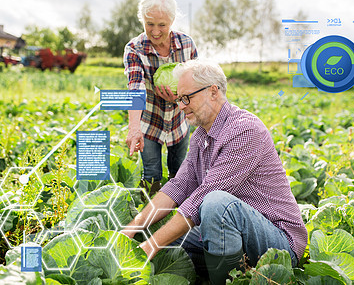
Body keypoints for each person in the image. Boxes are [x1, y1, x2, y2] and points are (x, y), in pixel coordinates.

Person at [121, 60, 308, 284]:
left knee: (215, 202)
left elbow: (203, 198)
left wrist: (150, 247)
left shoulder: (244, 130)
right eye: (179, 99)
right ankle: (229, 270)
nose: (181, 106)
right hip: (230, 231)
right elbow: (178, 186)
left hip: (278, 241)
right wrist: (134, 227)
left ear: (213, 92)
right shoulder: (201, 136)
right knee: (159, 235)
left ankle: (228, 280)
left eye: (186, 98)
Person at [124, 0, 198, 195]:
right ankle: (151, 218)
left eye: (162, 25)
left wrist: (179, 99)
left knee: (180, 175)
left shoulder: (186, 45)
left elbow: (197, 83)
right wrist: (134, 127)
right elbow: (135, 87)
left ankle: (177, 218)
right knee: (152, 176)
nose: (155, 31)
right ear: (142, 21)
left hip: (179, 121)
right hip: (150, 123)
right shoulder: (134, 49)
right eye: (150, 24)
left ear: (172, 20)